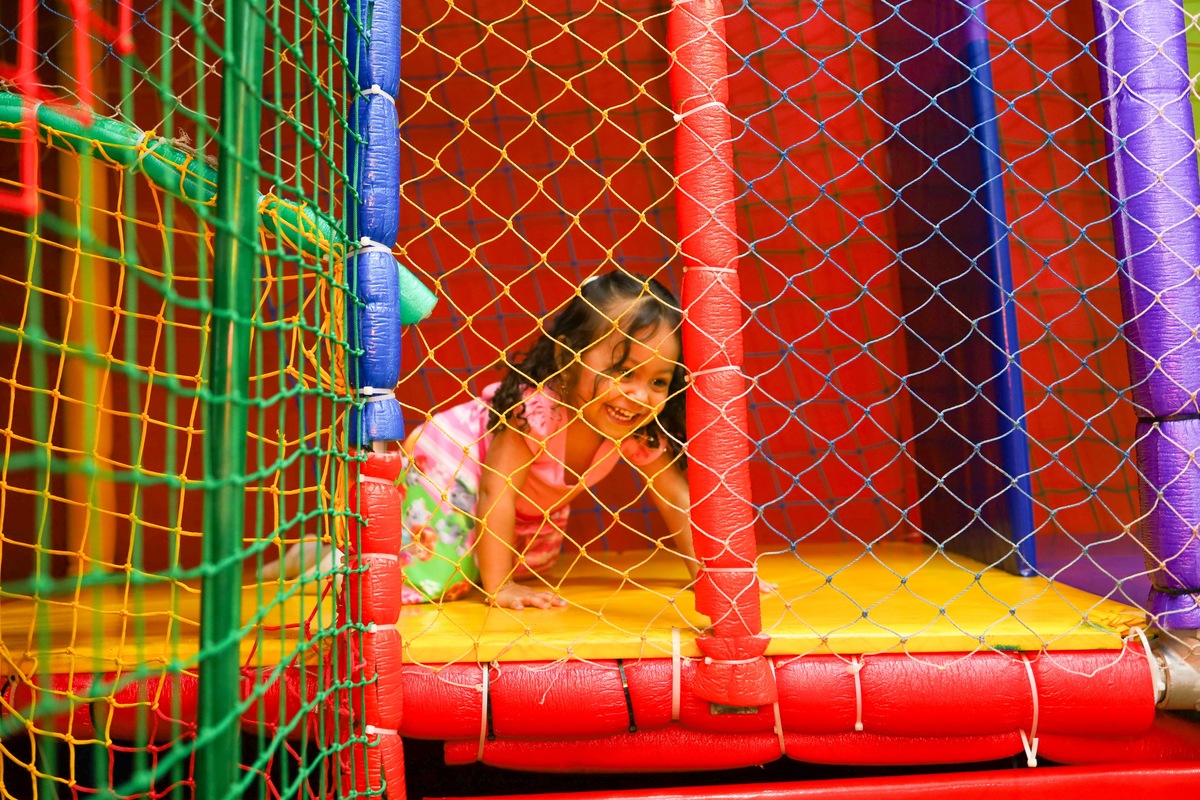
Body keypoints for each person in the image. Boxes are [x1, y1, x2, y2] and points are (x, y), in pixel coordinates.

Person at [400, 269, 696, 609]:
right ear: (568, 357)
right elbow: (495, 491)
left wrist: (707, 573)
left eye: (659, 382)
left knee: (532, 569)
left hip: (527, 504)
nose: (640, 395)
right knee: (438, 581)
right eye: (624, 372)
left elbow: (675, 497)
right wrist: (501, 588)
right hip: (453, 463)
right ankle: (343, 558)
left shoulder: (638, 427)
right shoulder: (537, 413)